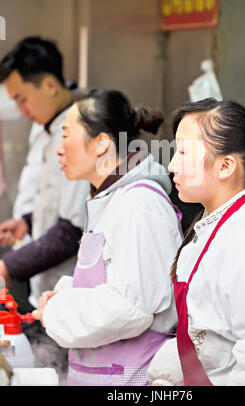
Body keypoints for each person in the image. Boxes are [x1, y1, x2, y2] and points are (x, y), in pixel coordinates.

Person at [32, 89, 183, 386]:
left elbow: (131, 307)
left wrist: (58, 311)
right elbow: (115, 283)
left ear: (102, 143)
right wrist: (66, 294)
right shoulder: (111, 200)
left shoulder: (139, 205)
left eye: (66, 135)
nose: (58, 150)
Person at [147, 98, 245, 386]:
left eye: (183, 153)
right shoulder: (218, 223)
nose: (171, 165)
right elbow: (210, 339)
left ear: (226, 165)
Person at [0, 37, 89, 308]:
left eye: (22, 99)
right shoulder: (47, 127)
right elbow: (56, 197)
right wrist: (28, 220)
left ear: (50, 85)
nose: (21, 110)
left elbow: (73, 229)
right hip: (47, 294)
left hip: (72, 293)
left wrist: (7, 266)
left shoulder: (81, 132)